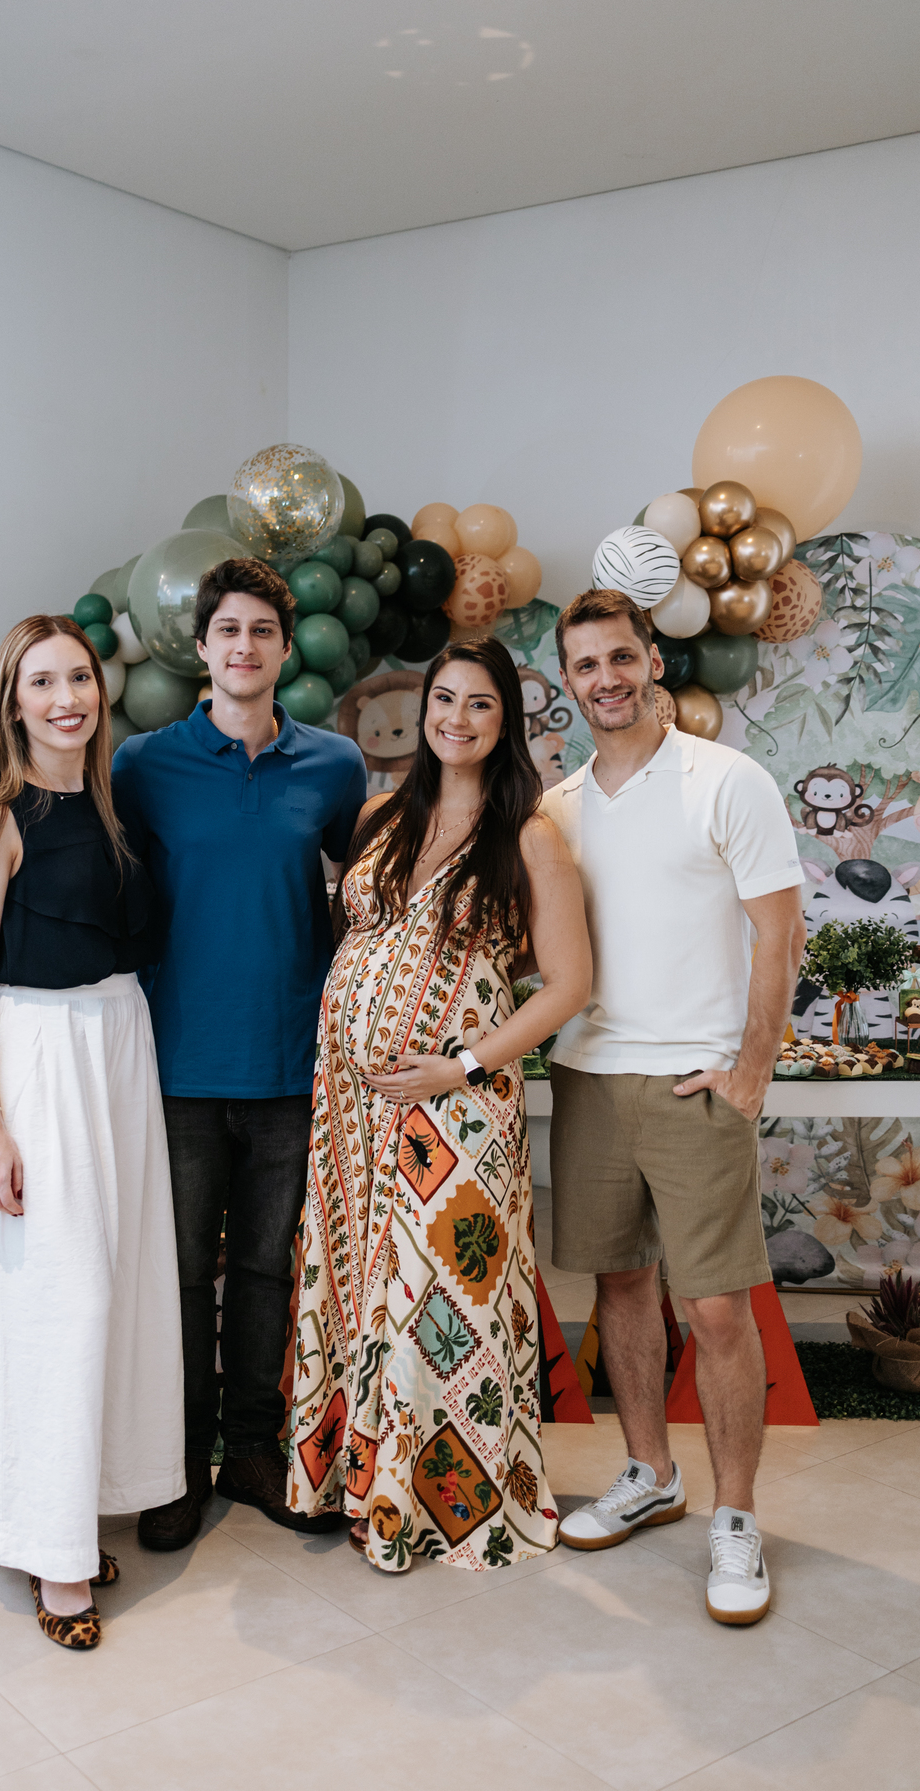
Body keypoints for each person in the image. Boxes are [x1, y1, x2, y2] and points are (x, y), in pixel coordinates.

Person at [287, 638, 592, 1572]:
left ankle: (434, 1502)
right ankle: (355, 1480)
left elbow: (567, 985)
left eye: (480, 706)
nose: (456, 719)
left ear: (509, 722)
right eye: (444, 700)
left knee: (438, 1292)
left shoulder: (530, 834)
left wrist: (457, 1063)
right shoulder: (383, 813)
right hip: (351, 1105)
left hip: (459, 1107)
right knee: (359, 1276)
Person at [542, 588, 806, 1626]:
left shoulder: (727, 780)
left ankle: (735, 1518)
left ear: (651, 659)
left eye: (619, 657)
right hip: (591, 1074)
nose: (604, 678)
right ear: (567, 682)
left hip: (695, 1083)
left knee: (716, 1309)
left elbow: (778, 936)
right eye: (584, 666)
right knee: (620, 1289)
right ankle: (649, 1472)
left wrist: (752, 1069)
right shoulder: (560, 806)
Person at [112, 557, 366, 1546]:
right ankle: (175, 1465)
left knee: (266, 1269)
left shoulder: (335, 766)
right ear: (202, 646)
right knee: (177, 1276)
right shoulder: (143, 766)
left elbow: (359, 896)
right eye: (230, 632)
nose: (246, 647)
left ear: (284, 646)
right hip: (174, 1065)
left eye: (263, 631)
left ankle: (252, 1452)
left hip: (288, 1066)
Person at [0, 616, 184, 1651]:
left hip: (117, 1051)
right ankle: (50, 1551)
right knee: (56, 1299)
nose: (65, 697)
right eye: (41, 682)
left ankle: (75, 1509)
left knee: (116, 1291)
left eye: (78, 676)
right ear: (13, 702)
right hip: (34, 1062)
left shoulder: (114, 806)